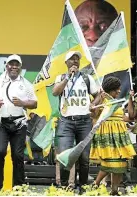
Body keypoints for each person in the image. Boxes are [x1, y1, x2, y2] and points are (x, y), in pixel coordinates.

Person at [0, 54, 37, 190]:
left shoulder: (25, 83)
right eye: (11, 64)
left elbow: (34, 103)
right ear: (6, 66)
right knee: (0, 152)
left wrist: (22, 103)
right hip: (0, 123)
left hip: (19, 124)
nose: (14, 67)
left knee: (18, 155)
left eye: (17, 64)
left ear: (20, 67)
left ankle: (18, 187)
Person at [52, 51, 99, 193]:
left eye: (77, 59)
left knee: (84, 158)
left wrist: (94, 104)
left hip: (84, 121)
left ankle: (83, 188)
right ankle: (66, 189)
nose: (75, 62)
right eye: (71, 60)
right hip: (66, 122)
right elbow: (55, 92)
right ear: (66, 63)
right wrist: (67, 78)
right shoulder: (60, 77)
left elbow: (98, 95)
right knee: (65, 156)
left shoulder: (87, 78)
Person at [89, 76, 136, 195]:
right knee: (110, 162)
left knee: (121, 163)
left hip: (120, 136)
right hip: (108, 135)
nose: (119, 91)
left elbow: (128, 117)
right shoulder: (103, 100)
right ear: (110, 89)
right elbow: (93, 115)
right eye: (117, 89)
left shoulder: (117, 101)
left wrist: (130, 99)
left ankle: (114, 190)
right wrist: (99, 99)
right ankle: (96, 183)